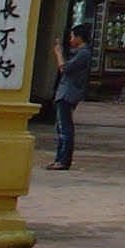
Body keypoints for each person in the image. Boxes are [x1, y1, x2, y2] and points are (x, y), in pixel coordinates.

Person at [47, 23, 92, 170]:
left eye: (72, 37)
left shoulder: (83, 53)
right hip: (66, 92)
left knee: (65, 128)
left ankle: (63, 160)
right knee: (61, 127)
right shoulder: (80, 52)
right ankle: (60, 158)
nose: (71, 40)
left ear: (79, 37)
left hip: (68, 93)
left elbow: (64, 69)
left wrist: (58, 53)